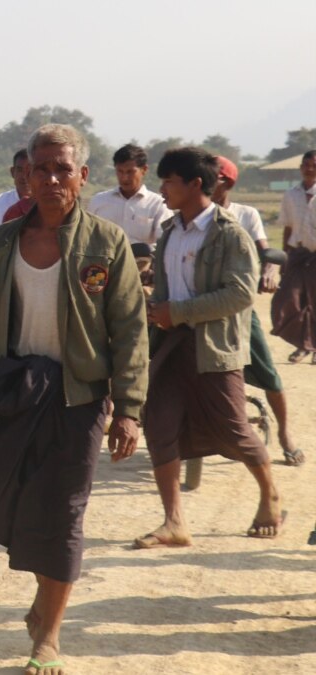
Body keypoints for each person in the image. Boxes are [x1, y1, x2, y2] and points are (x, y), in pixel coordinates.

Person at [0, 124, 147, 675]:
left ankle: (49, 633)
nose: (50, 179)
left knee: (65, 512)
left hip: (80, 398)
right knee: (21, 508)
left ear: (82, 176)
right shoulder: (0, 245)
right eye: (40, 168)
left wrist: (129, 409)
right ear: (25, 174)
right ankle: (44, 604)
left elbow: (130, 330)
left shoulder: (105, 244)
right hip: (17, 393)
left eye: (62, 169)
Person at [137, 147, 284, 551]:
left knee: (234, 429)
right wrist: (153, 308)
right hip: (170, 346)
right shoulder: (170, 231)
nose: (162, 190)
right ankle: (174, 521)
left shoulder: (229, 234)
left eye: (168, 182)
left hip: (212, 347)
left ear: (195, 185)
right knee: (159, 425)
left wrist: (178, 311)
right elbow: (166, 289)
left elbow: (239, 294)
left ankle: (269, 493)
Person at [212, 156, 303, 465]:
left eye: (212, 177)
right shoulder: (188, 216)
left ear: (227, 182)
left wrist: (269, 271)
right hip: (194, 307)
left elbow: (267, 252)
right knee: (156, 362)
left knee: (268, 374)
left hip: (236, 309)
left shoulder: (245, 214)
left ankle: (284, 434)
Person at [269, 150, 316, 362]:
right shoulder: (291, 195)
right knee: (290, 301)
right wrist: (284, 257)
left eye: (314, 164)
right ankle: (302, 344)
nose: (310, 168)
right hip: (297, 254)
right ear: (300, 168)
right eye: (306, 164)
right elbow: (288, 227)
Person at [88, 143, 173, 246]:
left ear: (144, 170)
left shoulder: (159, 205)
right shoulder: (99, 201)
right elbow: (87, 237)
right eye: (120, 171)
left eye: (130, 172)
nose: (124, 177)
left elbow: (164, 243)